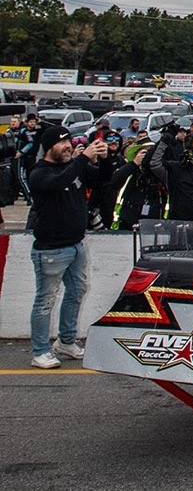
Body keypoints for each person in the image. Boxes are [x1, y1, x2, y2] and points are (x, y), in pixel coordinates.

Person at [27, 126, 112, 369]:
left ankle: (66, 341)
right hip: (50, 250)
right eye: (62, 143)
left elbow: (104, 179)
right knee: (45, 301)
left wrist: (104, 159)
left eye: (69, 142)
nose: (67, 146)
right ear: (49, 147)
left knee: (76, 293)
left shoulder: (75, 167)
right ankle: (40, 351)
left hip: (76, 244)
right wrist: (82, 158)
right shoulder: (39, 173)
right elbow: (58, 182)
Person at [109, 143, 163, 230]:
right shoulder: (130, 171)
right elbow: (114, 180)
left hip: (153, 221)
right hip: (128, 220)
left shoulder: (159, 173)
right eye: (144, 152)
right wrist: (134, 163)